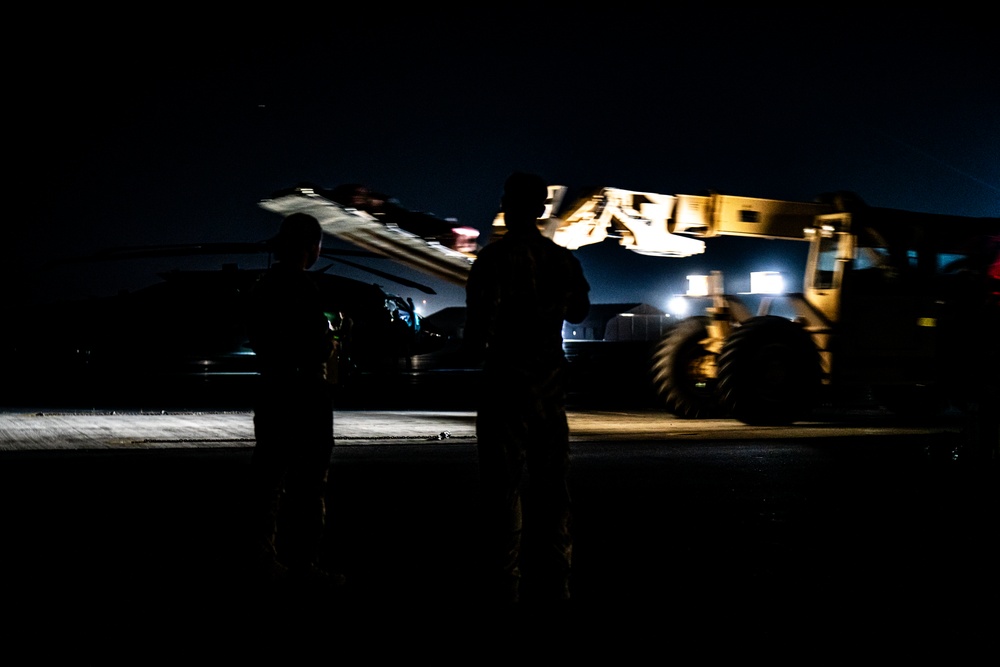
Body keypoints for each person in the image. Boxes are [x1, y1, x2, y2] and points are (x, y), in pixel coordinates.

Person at [464, 171, 591, 605]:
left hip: (504, 391)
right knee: (553, 489)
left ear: (508, 205)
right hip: (549, 392)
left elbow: (474, 337)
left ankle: (503, 588)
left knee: (501, 492)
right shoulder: (562, 261)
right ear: (540, 209)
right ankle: (557, 585)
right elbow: (579, 312)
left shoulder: (491, 262)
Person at [243, 212, 343, 591]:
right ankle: (304, 565)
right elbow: (316, 347)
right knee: (308, 484)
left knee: (267, 481)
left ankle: (261, 559)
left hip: (272, 390)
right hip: (305, 396)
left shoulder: (263, 285)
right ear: (312, 247)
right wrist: (331, 341)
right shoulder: (302, 288)